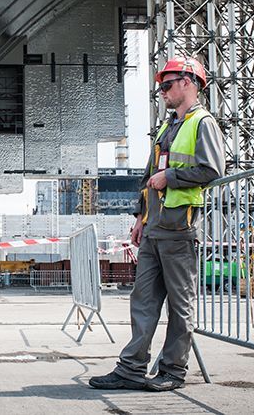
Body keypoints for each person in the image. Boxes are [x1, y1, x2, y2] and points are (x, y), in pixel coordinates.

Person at [89, 57, 225, 392]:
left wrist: (172, 177)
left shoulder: (202, 123)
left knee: (180, 305)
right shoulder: (167, 127)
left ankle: (173, 371)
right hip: (153, 229)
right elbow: (150, 176)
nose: (161, 92)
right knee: (144, 301)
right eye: (161, 87)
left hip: (179, 229)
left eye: (167, 85)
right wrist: (139, 216)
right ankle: (131, 368)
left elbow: (212, 170)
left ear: (188, 83)